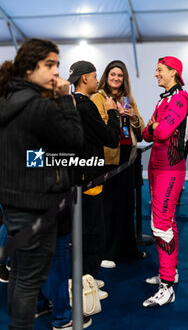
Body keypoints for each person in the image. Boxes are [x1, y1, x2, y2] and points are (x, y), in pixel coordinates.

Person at [0, 38, 84, 330]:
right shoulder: (38, 105)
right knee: (29, 281)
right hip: (37, 204)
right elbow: (75, 141)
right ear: (28, 67)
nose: (55, 72)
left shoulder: (8, 98)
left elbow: (29, 154)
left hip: (13, 201)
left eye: (57, 65)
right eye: (49, 64)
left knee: (21, 275)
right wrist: (65, 100)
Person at [142, 56, 188, 308]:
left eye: (159, 70)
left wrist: (155, 127)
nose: (155, 74)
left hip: (170, 169)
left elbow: (160, 132)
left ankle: (167, 286)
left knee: (161, 224)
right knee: (166, 222)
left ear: (173, 72)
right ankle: (169, 273)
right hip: (156, 166)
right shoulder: (164, 99)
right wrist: (154, 127)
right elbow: (145, 132)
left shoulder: (180, 98)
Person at [68, 60, 120, 295]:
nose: (98, 81)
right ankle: (85, 284)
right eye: (95, 76)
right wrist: (112, 112)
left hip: (75, 174)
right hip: (88, 178)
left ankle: (85, 278)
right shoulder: (86, 107)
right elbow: (110, 138)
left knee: (83, 230)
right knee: (92, 232)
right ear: (85, 78)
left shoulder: (67, 103)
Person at [91, 60, 145, 267]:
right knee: (109, 206)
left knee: (126, 205)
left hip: (127, 156)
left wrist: (132, 118)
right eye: (113, 74)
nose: (116, 78)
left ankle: (127, 248)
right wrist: (113, 113)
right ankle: (107, 252)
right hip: (108, 159)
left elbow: (139, 130)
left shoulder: (127, 99)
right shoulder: (98, 97)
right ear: (107, 76)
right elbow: (98, 128)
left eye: (120, 75)